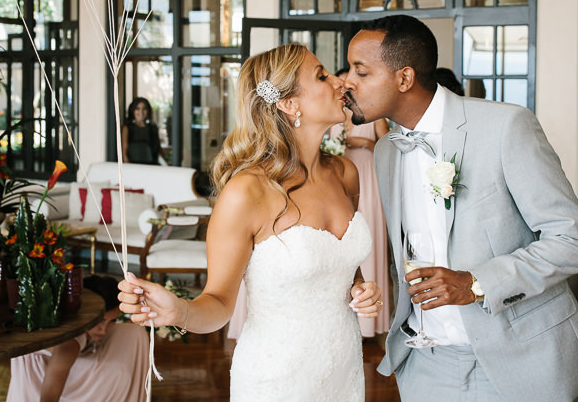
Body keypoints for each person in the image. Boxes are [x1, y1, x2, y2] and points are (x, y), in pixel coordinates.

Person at [341, 15, 578, 402]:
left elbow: (573, 239)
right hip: (424, 363)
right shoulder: (386, 151)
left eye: (360, 71)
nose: (346, 81)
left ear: (404, 78)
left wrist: (476, 283)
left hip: (515, 359)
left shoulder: (506, 126)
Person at [118, 43, 383, 402]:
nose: (340, 82)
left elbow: (344, 268)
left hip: (344, 370)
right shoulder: (246, 193)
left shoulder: (345, 173)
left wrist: (360, 290)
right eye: (322, 76)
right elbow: (219, 303)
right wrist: (178, 310)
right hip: (276, 379)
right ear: (290, 104)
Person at [6, 275, 149, 402]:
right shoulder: (72, 342)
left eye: (112, 321)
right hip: (36, 381)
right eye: (99, 321)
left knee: (135, 332)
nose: (103, 329)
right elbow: (56, 376)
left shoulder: (65, 314)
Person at [329, 67, 391, 337]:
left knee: (369, 238)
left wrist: (363, 145)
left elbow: (389, 145)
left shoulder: (371, 113)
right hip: (338, 177)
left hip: (367, 175)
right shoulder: (330, 115)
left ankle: (370, 321)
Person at [121, 97, 161, 165]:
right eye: (137, 109)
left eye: (144, 109)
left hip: (151, 166)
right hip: (134, 166)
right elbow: (124, 153)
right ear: (133, 110)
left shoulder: (153, 128)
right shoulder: (127, 128)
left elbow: (158, 149)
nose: (141, 112)